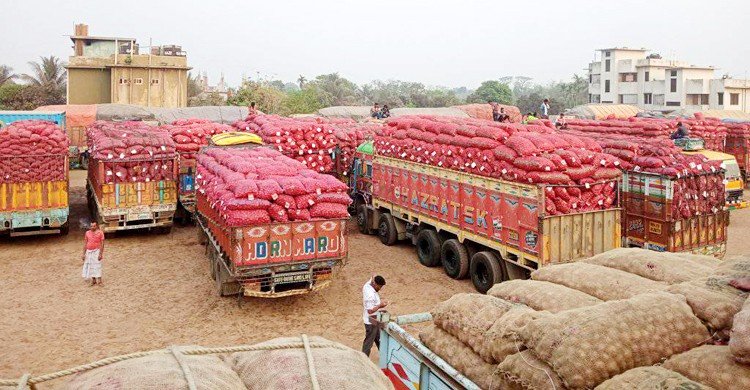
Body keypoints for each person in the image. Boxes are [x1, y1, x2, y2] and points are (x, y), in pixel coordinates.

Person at [362, 275, 388, 356]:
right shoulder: (370, 295)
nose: (380, 288)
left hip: (374, 319)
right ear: (375, 284)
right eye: (380, 286)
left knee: (379, 338)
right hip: (371, 321)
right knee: (369, 342)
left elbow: (372, 277)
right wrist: (380, 306)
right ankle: (364, 358)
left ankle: (384, 355)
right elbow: (370, 311)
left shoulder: (367, 285)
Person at [82, 221, 105, 286]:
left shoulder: (100, 233)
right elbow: (85, 243)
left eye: (94, 226)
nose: (92, 227)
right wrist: (83, 254)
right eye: (91, 226)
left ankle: (99, 281)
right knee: (90, 266)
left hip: (97, 251)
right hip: (88, 251)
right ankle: (93, 280)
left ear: (97, 226)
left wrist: (100, 254)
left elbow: (102, 244)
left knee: (98, 265)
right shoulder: (87, 233)